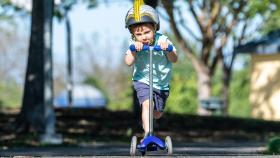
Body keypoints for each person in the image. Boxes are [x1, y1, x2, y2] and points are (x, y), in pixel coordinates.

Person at [124, 4, 178, 141]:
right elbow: (128, 62)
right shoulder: (134, 43)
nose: (143, 37)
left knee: (157, 113)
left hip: (161, 84)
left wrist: (168, 50)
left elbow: (174, 59)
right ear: (133, 34)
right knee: (147, 104)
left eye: (146, 32)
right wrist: (134, 51)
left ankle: (152, 118)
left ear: (155, 27)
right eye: (138, 34)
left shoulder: (163, 40)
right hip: (142, 80)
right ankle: (148, 134)